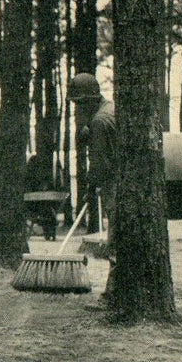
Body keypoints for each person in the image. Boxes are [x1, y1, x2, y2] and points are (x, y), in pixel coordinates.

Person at [68, 72, 118, 295]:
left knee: (115, 238)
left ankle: (115, 292)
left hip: (115, 186)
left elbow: (101, 164)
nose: (77, 110)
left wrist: (92, 187)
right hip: (122, 182)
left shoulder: (99, 121)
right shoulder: (110, 109)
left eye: (79, 105)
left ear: (88, 102)